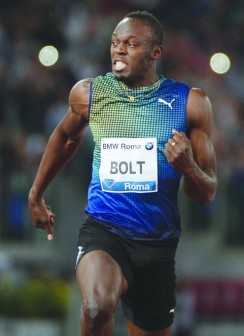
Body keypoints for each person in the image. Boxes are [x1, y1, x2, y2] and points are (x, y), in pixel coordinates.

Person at [28, 10, 217, 336]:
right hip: (104, 230)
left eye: (131, 44)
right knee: (97, 306)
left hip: (157, 245)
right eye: (115, 43)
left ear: (155, 52)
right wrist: (36, 193)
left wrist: (188, 168)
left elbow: (206, 193)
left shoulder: (190, 104)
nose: (119, 50)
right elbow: (65, 137)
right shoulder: (90, 94)